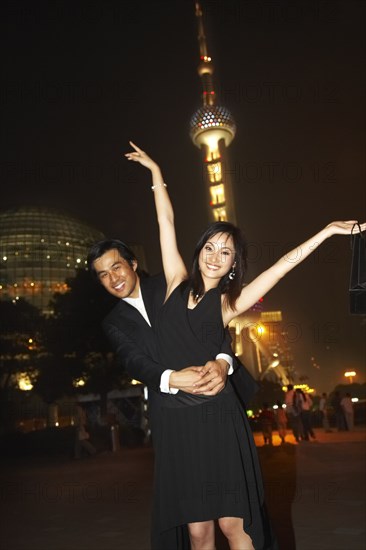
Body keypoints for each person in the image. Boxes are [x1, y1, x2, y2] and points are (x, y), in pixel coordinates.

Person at [121, 141, 365, 550]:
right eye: (211, 247)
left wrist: (326, 231)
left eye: (226, 252)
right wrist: (155, 172)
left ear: (234, 263)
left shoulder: (229, 303)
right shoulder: (174, 284)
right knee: (198, 532)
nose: (216, 256)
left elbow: (281, 266)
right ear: (199, 252)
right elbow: (165, 220)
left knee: (236, 526)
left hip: (218, 420)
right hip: (178, 426)